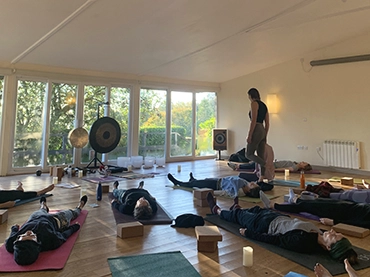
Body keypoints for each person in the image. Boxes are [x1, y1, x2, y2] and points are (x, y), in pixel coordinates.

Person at [206, 192, 358, 264]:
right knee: (251, 209)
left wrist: (249, 234)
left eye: (335, 236)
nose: (333, 232)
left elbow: (275, 240)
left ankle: (217, 211)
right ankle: (236, 208)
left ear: (329, 247)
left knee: (238, 216)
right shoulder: (320, 234)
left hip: (263, 225)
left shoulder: (302, 241)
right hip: (273, 217)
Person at [5, 195, 88, 265]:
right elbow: (64, 235)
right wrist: (75, 227)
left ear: (17, 240)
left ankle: (43, 206)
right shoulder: (51, 240)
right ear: (37, 243)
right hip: (57, 220)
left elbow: (12, 235)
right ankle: (80, 207)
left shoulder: (12, 243)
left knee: (41, 211)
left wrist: (14, 229)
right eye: (31, 236)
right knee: (72, 213)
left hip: (35, 217)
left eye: (23, 236)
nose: (28, 232)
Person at [263, 188, 370, 228]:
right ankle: (296, 199)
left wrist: (334, 222)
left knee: (307, 207)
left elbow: (360, 224)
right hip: (349, 205)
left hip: (341, 213)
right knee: (319, 201)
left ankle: (274, 205)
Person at [167, 172, 273, 198]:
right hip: (219, 180)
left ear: (249, 190)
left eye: (252, 185)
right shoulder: (244, 184)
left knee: (198, 184)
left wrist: (211, 193)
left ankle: (179, 183)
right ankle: (193, 180)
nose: (252, 183)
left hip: (216, 185)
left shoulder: (239, 191)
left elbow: (224, 193)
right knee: (202, 181)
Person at [245, 88, 269, 182]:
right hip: (262, 129)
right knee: (260, 154)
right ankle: (261, 177)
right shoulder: (264, 105)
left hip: (257, 129)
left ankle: (264, 164)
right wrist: (265, 135)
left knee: (248, 154)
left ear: (251, 96)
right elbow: (267, 123)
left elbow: (253, 120)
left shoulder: (254, 103)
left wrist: (250, 135)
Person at [228, 159, 312, 172]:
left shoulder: (295, 167)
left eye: (304, 163)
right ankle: (238, 166)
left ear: (304, 167)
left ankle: (237, 166)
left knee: (256, 163)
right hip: (272, 163)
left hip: (272, 165)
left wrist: (273, 169)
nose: (303, 161)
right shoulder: (296, 164)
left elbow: (286, 169)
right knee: (255, 163)